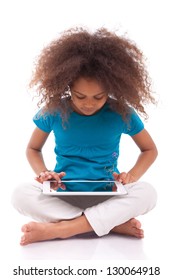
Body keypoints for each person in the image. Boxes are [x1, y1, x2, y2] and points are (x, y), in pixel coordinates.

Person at [11, 27, 158, 246]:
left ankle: (65, 228)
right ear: (68, 85)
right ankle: (109, 223)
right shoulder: (54, 110)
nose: (89, 103)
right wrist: (44, 173)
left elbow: (149, 150)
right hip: (64, 192)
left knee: (148, 193)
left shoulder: (121, 113)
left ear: (111, 88)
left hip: (108, 192)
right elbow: (33, 148)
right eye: (80, 96)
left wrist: (132, 176)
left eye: (98, 97)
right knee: (19, 195)